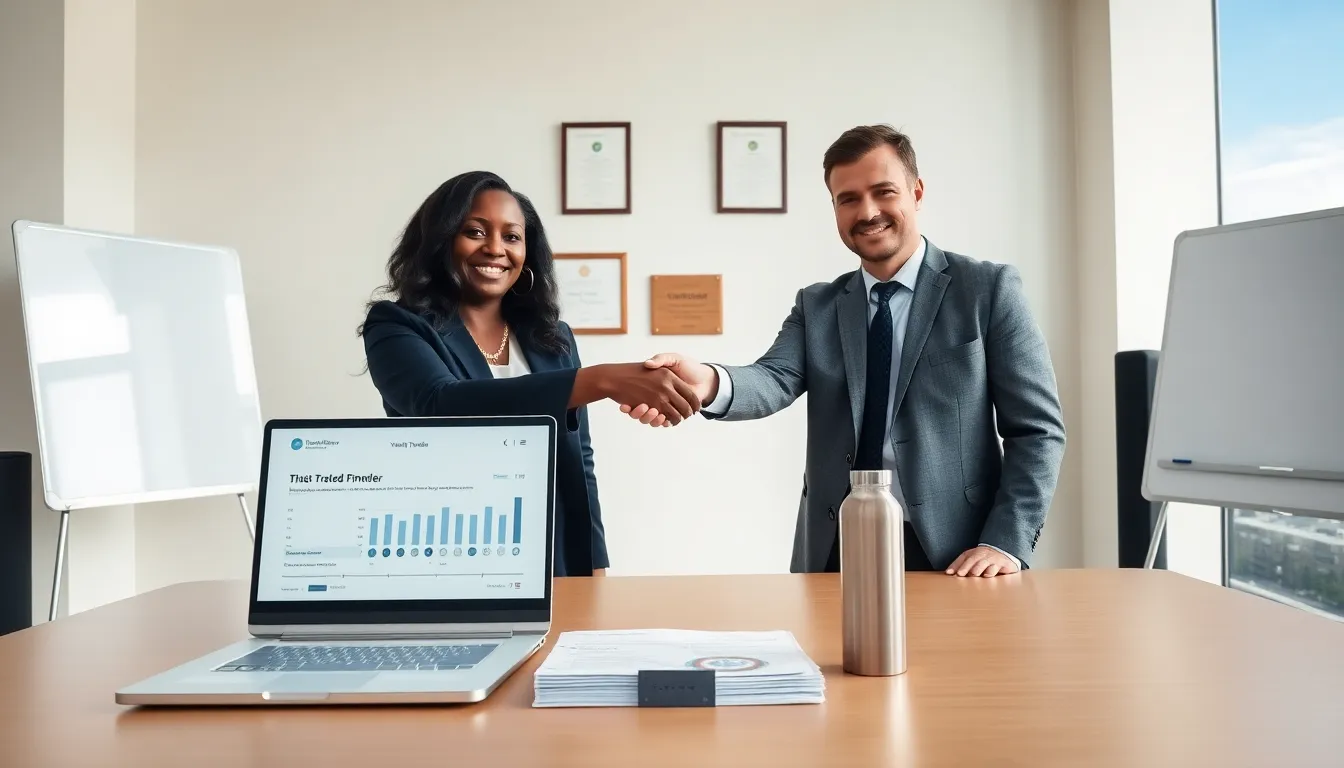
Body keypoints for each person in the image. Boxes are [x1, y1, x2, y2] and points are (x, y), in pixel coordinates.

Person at [624, 125, 1066, 577]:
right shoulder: (817, 305)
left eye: (883, 192)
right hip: (836, 546)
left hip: (957, 551)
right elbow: (772, 378)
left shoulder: (987, 290)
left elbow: (1037, 430)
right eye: (848, 199)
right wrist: (708, 380)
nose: (867, 212)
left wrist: (1005, 542)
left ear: (916, 193)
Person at [358, 171, 702, 576]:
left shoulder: (553, 337)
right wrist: (600, 380)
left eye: (512, 236)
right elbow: (441, 404)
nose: (495, 249)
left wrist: (594, 562)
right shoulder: (396, 325)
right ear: (440, 240)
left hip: (552, 551)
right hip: (447, 549)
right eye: (475, 231)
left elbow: (579, 459)